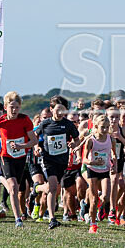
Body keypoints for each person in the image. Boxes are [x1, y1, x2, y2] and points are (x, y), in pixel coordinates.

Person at [31, 96, 80, 229]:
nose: (60, 113)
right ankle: (52, 218)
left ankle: (36, 189)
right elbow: (34, 135)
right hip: (48, 160)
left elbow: (77, 139)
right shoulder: (45, 123)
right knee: (53, 186)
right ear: (51, 109)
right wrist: (36, 147)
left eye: (63, 110)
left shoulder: (68, 124)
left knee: (53, 188)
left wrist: (73, 144)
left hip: (62, 161)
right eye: (57, 109)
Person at [0, 92, 39, 227]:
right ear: (5, 107)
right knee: (12, 186)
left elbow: (33, 141)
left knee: (16, 188)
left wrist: (21, 146)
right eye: (11, 107)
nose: (14, 110)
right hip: (6, 157)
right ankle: (18, 219)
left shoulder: (25, 120)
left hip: (21, 157)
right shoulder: (1, 121)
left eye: (17, 107)